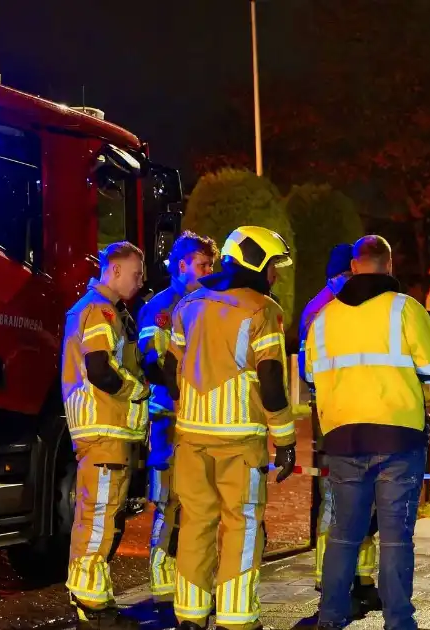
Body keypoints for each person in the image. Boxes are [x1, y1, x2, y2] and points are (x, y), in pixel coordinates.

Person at [305, 235, 430, 630]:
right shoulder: (404, 309)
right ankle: (399, 621)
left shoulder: (324, 317)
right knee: (396, 537)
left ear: (353, 268)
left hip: (344, 439)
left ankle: (331, 618)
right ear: (388, 266)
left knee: (344, 534)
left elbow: (308, 375)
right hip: (398, 438)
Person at [163, 225, 297, 630]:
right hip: (240, 442)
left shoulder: (188, 305)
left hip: (190, 437)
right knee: (241, 526)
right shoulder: (263, 310)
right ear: (256, 262)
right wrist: (285, 439)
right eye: (273, 265)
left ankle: (189, 616)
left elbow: (171, 373)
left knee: (195, 525)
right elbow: (272, 382)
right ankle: (236, 619)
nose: (274, 275)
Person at [61, 241, 151, 629]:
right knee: (98, 520)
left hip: (103, 431)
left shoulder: (102, 310)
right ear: (113, 271)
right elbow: (99, 369)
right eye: (136, 274)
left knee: (99, 518)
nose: (140, 281)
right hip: (102, 428)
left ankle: (96, 601)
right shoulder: (100, 310)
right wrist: (136, 389)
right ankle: (91, 608)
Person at [298, 244, 381, 616]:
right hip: (337, 422)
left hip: (348, 419)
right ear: (341, 274)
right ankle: (331, 580)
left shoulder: (330, 307)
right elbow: (312, 373)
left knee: (359, 502)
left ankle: (361, 579)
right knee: (335, 501)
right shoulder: (324, 311)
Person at [136, 231, 218, 604]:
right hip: (169, 417)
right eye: (202, 264)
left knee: (196, 502)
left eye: (210, 265)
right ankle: (162, 580)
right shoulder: (161, 308)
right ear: (181, 265)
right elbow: (152, 364)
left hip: (198, 419)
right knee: (168, 500)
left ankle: (187, 580)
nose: (208, 270)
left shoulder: (205, 304)